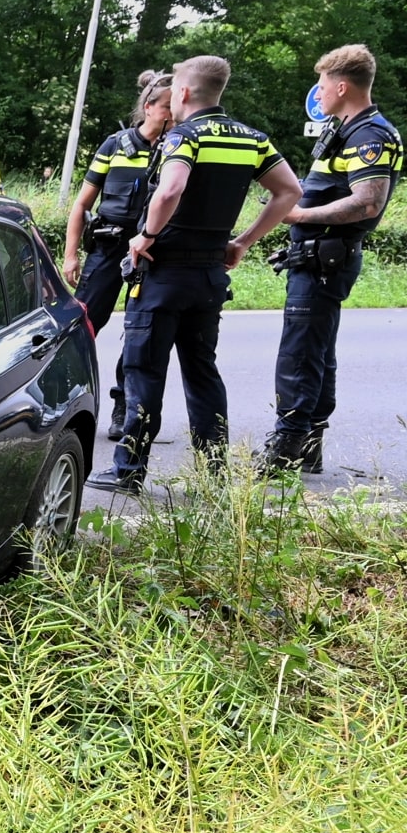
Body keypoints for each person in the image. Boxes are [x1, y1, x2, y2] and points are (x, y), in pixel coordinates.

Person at [86, 56, 301, 495]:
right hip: (208, 274)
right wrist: (242, 242)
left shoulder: (185, 137)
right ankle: (214, 473)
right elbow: (289, 191)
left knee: (144, 370)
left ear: (183, 93)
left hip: (163, 273)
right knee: (202, 370)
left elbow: (170, 189)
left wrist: (145, 235)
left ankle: (128, 471)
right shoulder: (253, 139)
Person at [258, 44, 403, 475]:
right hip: (315, 257)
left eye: (322, 86)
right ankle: (309, 447)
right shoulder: (347, 129)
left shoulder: (370, 136)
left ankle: (287, 445)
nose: (318, 94)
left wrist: (299, 214)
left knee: (300, 354)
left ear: (342, 86)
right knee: (317, 352)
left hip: (326, 259)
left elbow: (366, 204)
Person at [62, 72, 175, 440]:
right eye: (166, 108)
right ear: (148, 107)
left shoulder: (179, 148)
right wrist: (70, 255)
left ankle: (123, 406)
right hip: (108, 250)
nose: (173, 115)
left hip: (153, 254)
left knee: (140, 334)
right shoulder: (114, 145)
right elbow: (82, 204)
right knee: (80, 327)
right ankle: (65, 395)